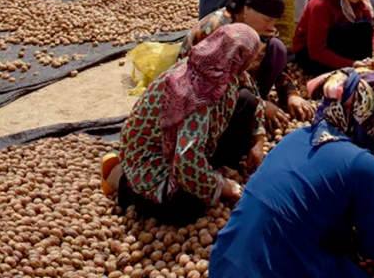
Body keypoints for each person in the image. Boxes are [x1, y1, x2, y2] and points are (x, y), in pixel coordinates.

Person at [208, 69, 374, 278]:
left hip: (223, 263)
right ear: (370, 115)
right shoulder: (360, 163)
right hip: (279, 269)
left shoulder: (296, 137)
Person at [99, 24, 265, 227]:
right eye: (253, 55)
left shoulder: (223, 64)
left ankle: (206, 172)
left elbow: (252, 93)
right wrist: (220, 186)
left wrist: (259, 138)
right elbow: (186, 157)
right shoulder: (196, 90)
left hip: (191, 143)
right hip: (154, 155)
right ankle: (121, 180)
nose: (255, 61)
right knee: (187, 208)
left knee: (246, 101)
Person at [183, 0, 315, 130]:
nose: (270, 26)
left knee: (277, 48)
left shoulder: (259, 27)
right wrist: (259, 104)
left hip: (238, 79)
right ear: (247, 8)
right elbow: (212, 80)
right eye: (267, 20)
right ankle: (243, 109)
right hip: (201, 87)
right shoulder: (220, 30)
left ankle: (252, 103)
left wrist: (291, 94)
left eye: (274, 21)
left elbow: (279, 65)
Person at [293, 0, 374, 77]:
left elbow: (370, 29)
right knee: (345, 30)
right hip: (310, 54)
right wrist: (351, 64)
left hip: (335, 44)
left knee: (365, 26)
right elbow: (316, 50)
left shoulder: (357, 0)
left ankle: (353, 63)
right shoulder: (321, 5)